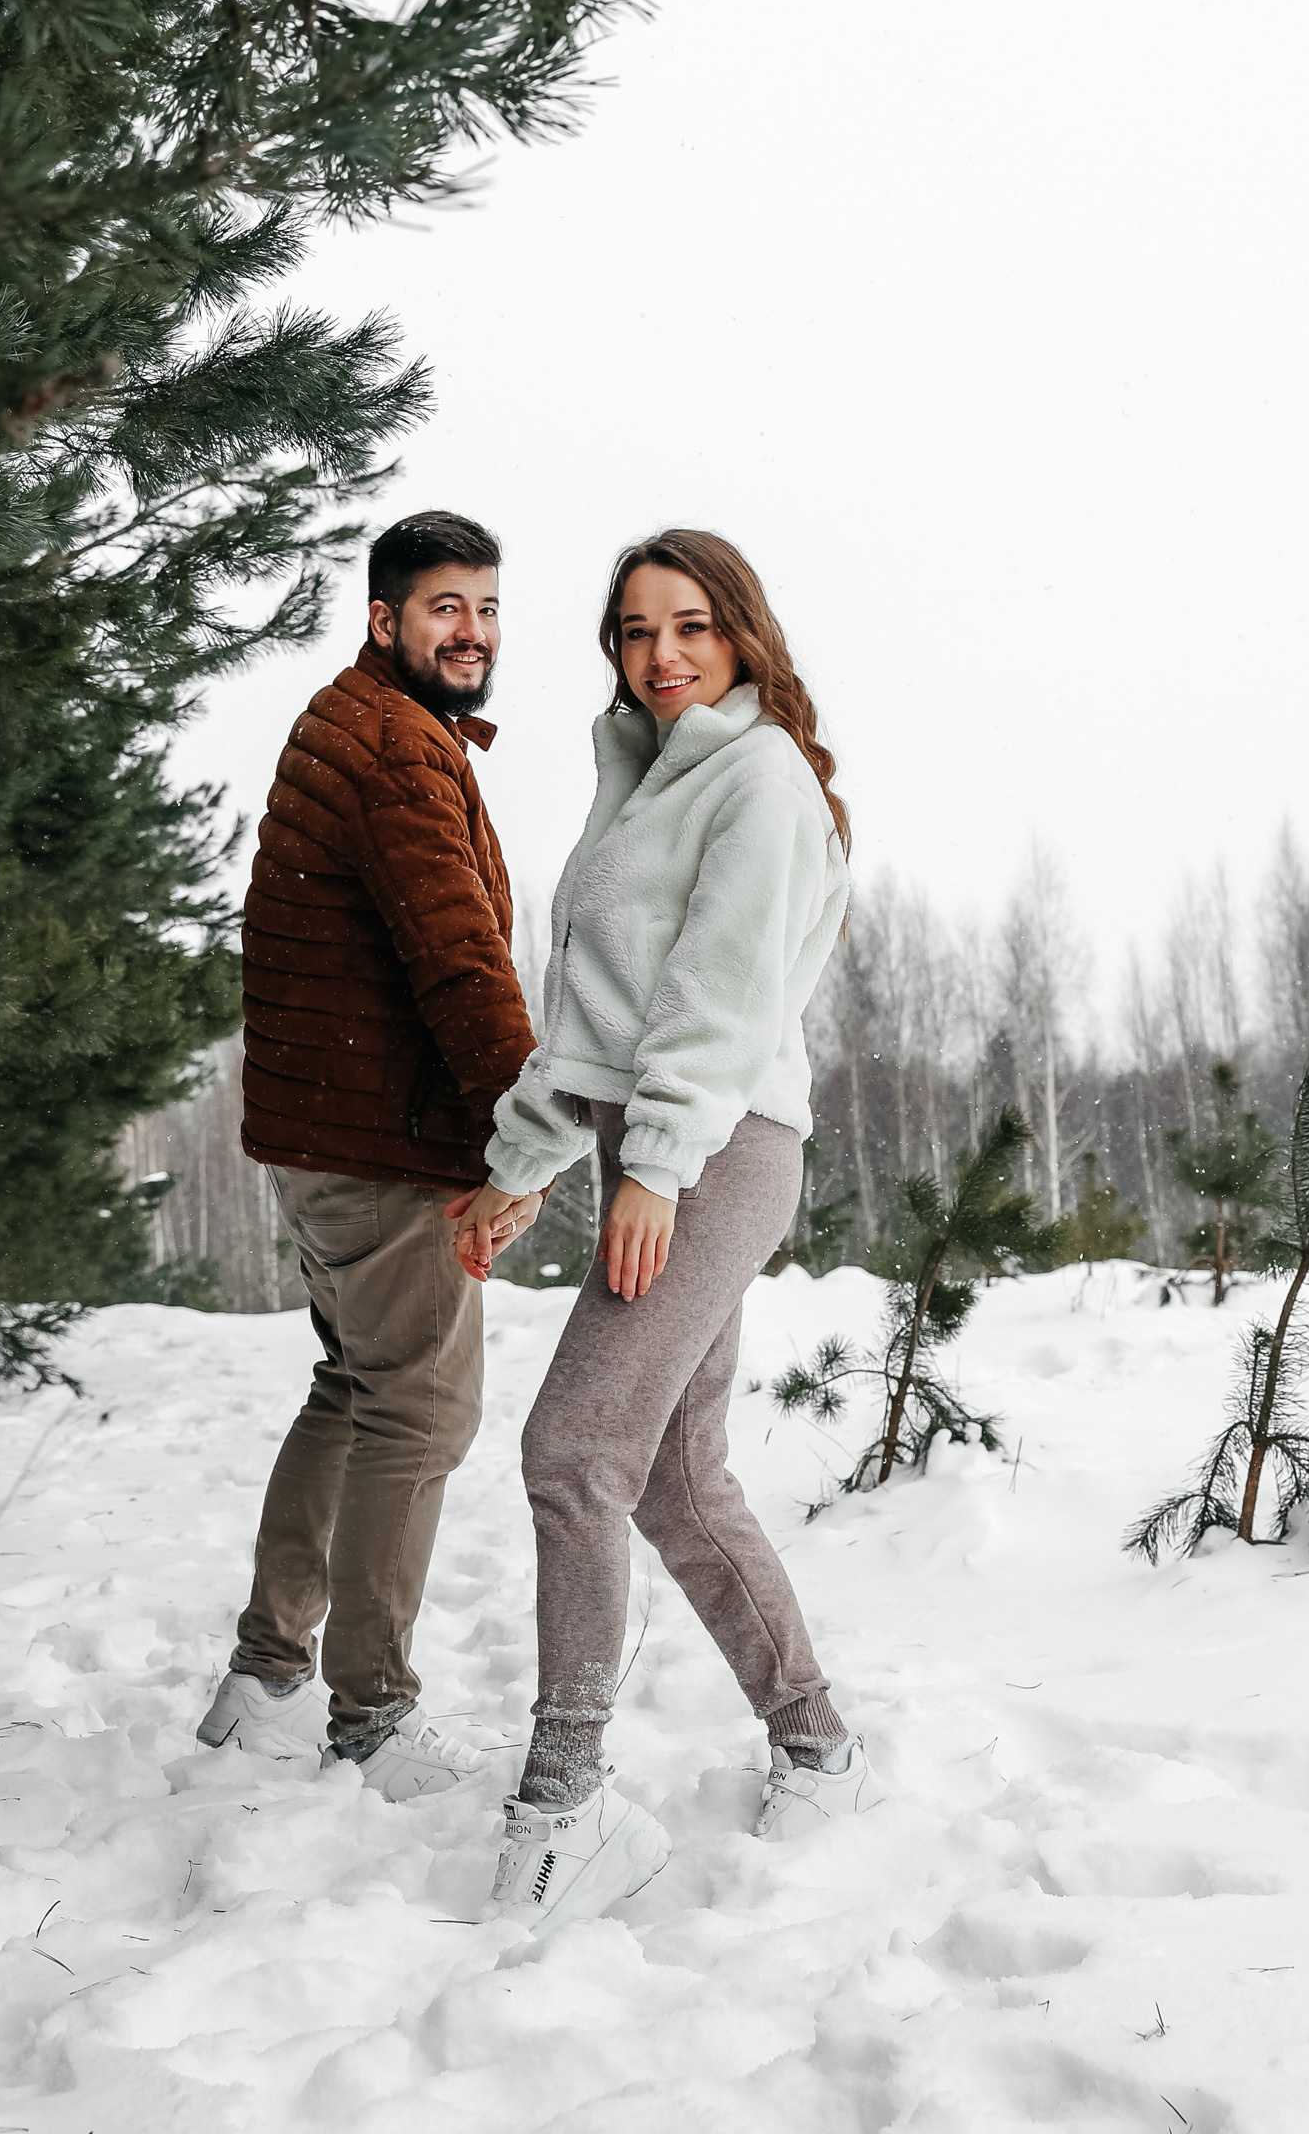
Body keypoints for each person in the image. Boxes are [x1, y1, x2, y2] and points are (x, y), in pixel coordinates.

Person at [449, 529, 875, 1933]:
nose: (663, 654)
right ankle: (818, 1748)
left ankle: (567, 1800)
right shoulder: (640, 787)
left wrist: (657, 1169)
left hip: (719, 1149)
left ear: (741, 633)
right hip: (663, 1152)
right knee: (678, 1482)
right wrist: (524, 1166)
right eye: (636, 631)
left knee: (574, 1453)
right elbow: (593, 1021)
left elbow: (720, 999)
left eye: (690, 625)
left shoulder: (761, 779)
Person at [196, 510, 542, 1798]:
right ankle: (371, 1717)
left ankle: (265, 1679)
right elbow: (459, 961)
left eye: (488, 608)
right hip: (386, 1148)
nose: (473, 632)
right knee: (420, 1409)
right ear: (385, 618)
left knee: (355, 1389)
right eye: (446, 607)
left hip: (329, 1139)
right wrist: (524, 1135)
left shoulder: (359, 721)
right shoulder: (396, 747)